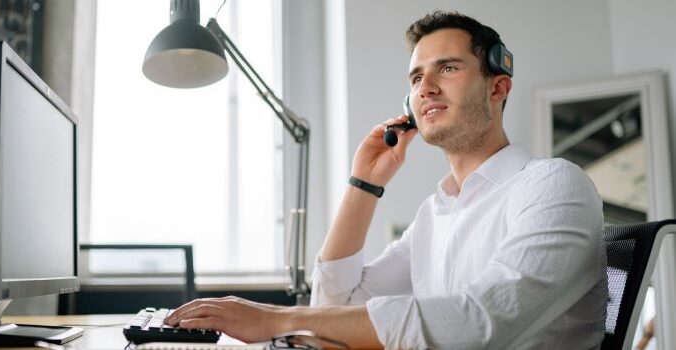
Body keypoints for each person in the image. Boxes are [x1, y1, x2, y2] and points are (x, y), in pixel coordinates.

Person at [164, 11, 607, 349]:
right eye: (416, 77)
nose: (426, 87)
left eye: (448, 68)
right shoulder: (437, 213)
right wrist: (363, 184)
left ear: (497, 88)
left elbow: (480, 324)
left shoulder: (553, 186)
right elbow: (333, 306)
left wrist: (276, 320)